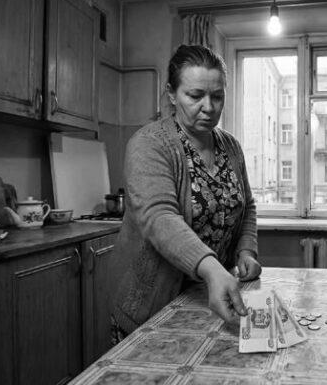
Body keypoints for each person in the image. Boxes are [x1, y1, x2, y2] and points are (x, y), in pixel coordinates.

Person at [111, 45, 261, 341]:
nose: (209, 107)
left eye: (217, 96)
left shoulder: (231, 147)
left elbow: (248, 207)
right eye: (195, 95)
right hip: (151, 307)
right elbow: (160, 217)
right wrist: (212, 269)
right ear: (171, 94)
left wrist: (246, 251)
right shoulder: (150, 144)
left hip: (210, 300)